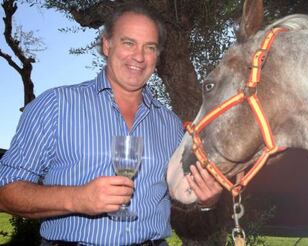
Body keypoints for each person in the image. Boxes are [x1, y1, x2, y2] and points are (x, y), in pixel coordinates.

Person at [0, 3, 222, 245]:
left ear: (157, 56)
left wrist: (205, 200)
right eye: (129, 43)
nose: (139, 56)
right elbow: (6, 193)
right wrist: (77, 199)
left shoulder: (170, 125)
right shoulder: (55, 105)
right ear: (107, 45)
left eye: (150, 47)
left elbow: (178, 201)